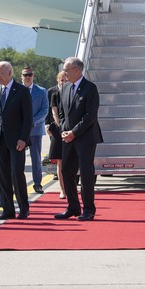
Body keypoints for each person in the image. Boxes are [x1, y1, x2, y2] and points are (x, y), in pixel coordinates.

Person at [54, 57, 103, 221]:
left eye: (67, 69)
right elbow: (62, 112)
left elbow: (90, 116)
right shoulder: (66, 88)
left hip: (85, 138)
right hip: (68, 138)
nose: (64, 73)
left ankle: (89, 209)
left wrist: (74, 132)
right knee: (66, 171)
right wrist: (63, 130)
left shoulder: (90, 88)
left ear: (77, 69)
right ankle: (73, 207)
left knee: (86, 173)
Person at [0, 61, 33, 220]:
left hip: (16, 141)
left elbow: (28, 118)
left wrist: (23, 139)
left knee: (16, 174)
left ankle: (24, 208)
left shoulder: (21, 91)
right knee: (3, 175)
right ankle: (7, 209)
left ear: (9, 73)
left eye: (0, 73)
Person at [21, 66, 49, 194]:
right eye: (25, 75)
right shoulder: (17, 90)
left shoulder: (41, 91)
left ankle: (37, 183)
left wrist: (32, 122)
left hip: (35, 129)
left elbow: (44, 110)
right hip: (19, 130)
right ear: (21, 76)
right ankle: (17, 182)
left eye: (30, 75)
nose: (27, 77)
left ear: (33, 76)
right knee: (17, 158)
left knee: (36, 158)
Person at [46, 70, 68, 198]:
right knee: (59, 161)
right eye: (62, 80)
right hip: (59, 129)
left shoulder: (73, 93)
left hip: (71, 129)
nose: (64, 82)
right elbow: (53, 111)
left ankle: (71, 187)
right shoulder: (55, 95)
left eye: (66, 80)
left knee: (70, 162)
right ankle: (62, 190)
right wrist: (58, 124)